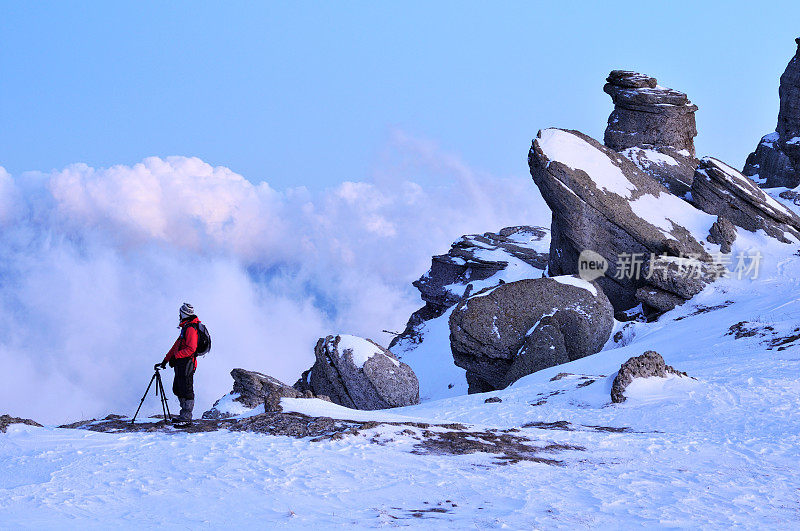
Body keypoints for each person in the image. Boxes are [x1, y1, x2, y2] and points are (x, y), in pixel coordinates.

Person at [155, 303, 201, 425]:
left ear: (183, 313)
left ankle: (186, 418)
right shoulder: (185, 327)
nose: (179, 315)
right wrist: (166, 360)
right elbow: (176, 346)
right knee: (178, 388)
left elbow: (191, 349)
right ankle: (183, 415)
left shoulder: (191, 328)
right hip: (181, 363)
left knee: (186, 389)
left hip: (187, 363)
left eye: (180, 313)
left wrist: (175, 357)